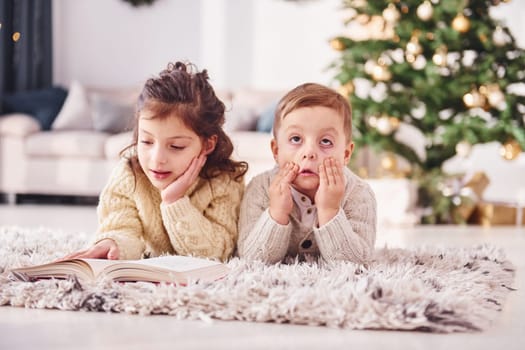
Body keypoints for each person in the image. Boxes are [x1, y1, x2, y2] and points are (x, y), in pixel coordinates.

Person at [65, 61, 247, 262]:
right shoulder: (129, 175)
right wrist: (113, 243)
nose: (157, 159)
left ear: (207, 145)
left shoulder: (224, 181)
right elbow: (122, 229)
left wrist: (174, 201)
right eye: (146, 141)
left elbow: (216, 254)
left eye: (176, 146)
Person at [237, 83, 376, 265]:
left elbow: (356, 263)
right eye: (296, 139)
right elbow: (252, 260)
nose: (309, 152)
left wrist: (330, 211)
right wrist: (276, 212)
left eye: (326, 141)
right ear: (276, 151)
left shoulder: (358, 193)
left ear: (346, 154)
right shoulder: (261, 188)